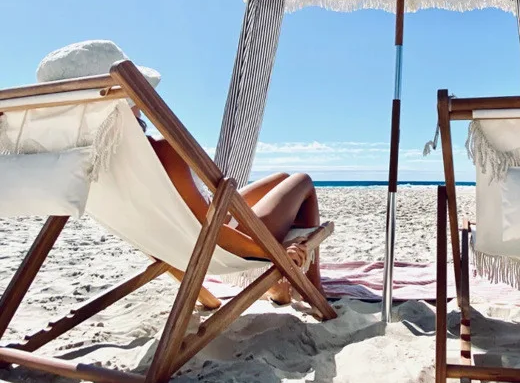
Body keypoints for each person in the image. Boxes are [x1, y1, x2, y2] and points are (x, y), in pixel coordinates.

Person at [36, 40, 323, 304]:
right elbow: (211, 233)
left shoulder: (82, 163)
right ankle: (311, 289)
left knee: (281, 180)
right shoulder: (160, 151)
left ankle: (276, 287)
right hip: (220, 241)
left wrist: (206, 298)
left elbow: (154, 234)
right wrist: (274, 256)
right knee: (302, 181)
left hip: (180, 240)